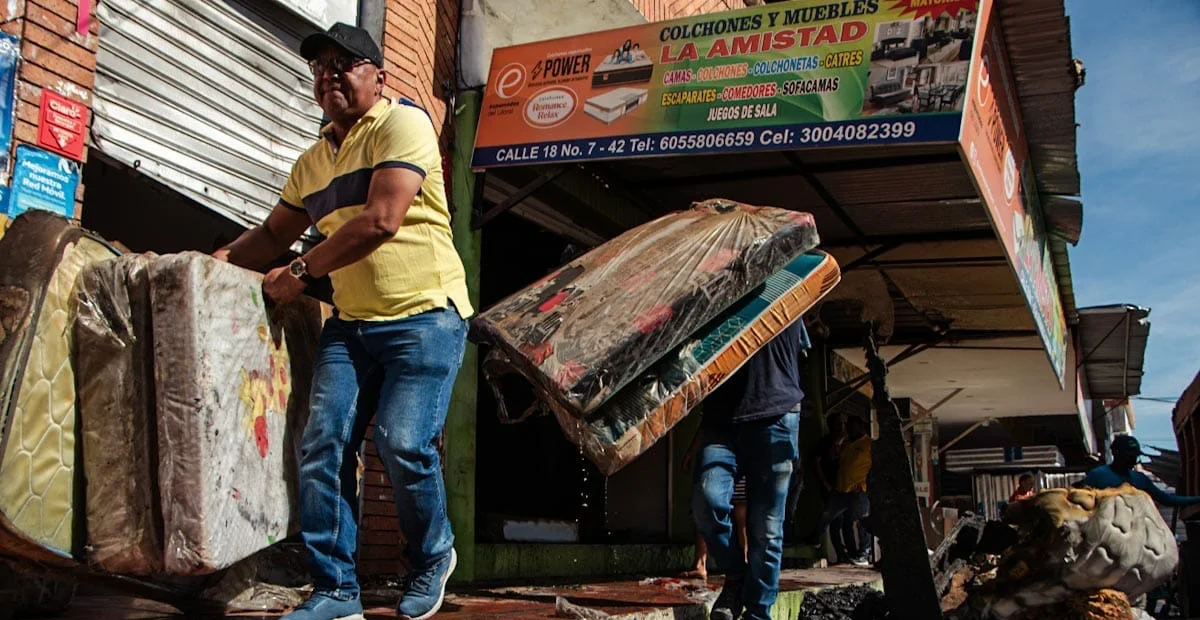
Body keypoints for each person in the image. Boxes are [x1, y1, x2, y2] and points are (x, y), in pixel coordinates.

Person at [214, 22, 473, 620]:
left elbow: (381, 219)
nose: (329, 74)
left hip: (425, 316)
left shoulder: (403, 123)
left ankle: (433, 554)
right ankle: (336, 590)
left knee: (401, 442)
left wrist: (300, 272)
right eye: (320, 67)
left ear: (378, 77)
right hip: (352, 325)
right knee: (322, 445)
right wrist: (209, 263)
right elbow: (271, 235)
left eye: (345, 63)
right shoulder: (311, 163)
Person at [691, 319, 810, 620]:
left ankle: (758, 613)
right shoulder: (709, 297)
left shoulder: (787, 291)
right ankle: (736, 576)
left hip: (776, 414)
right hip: (721, 419)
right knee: (707, 501)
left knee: (767, 530)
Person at [1077, 435, 1200, 507]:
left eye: (1135, 455)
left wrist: (1196, 499)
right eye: (1129, 455)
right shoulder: (1098, 475)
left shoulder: (1140, 479)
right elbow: (1081, 502)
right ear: (1115, 452)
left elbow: (1166, 499)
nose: (1132, 459)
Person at [827, 415, 872, 567]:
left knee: (862, 521)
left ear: (860, 427)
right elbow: (835, 456)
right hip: (842, 489)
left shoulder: (868, 444)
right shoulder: (847, 443)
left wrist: (865, 485)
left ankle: (864, 552)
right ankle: (850, 553)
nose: (849, 430)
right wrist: (840, 439)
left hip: (859, 490)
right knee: (839, 520)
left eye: (852, 427)